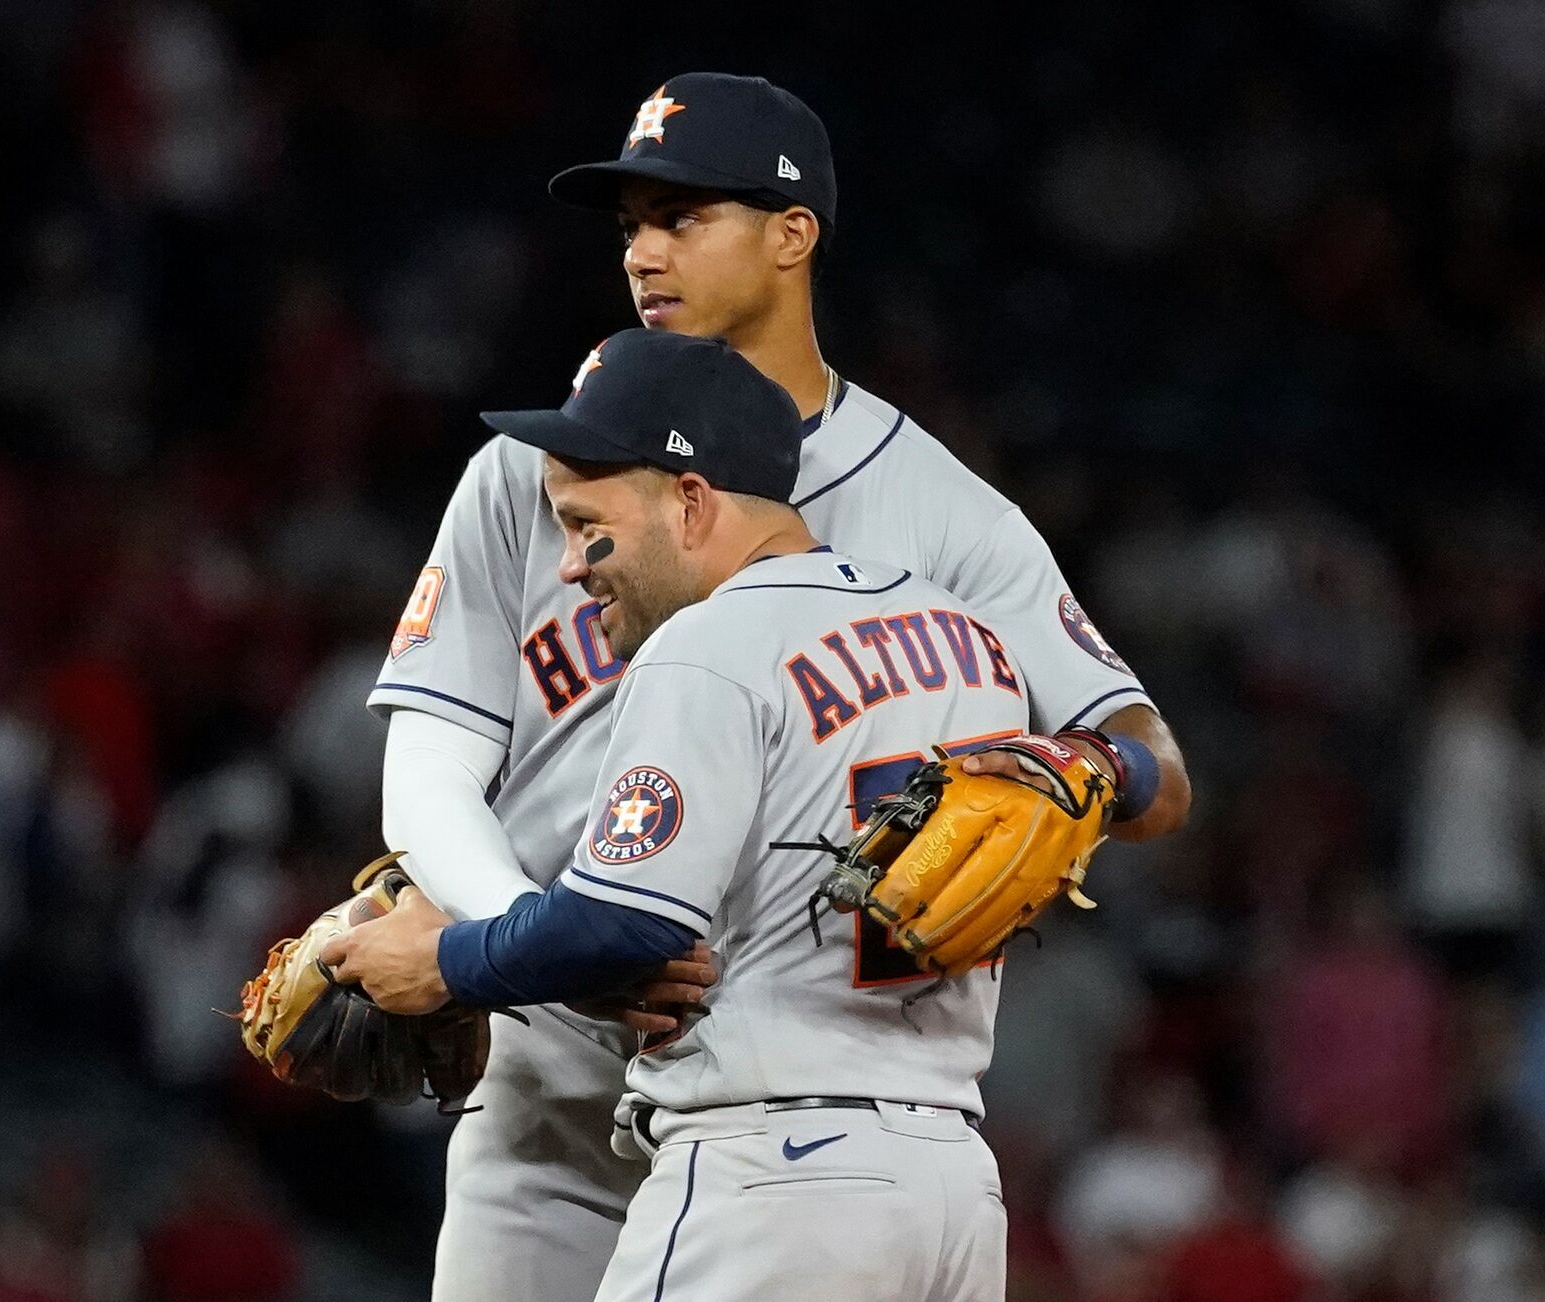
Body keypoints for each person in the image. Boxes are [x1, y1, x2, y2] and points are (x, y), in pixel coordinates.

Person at [366, 72, 1193, 1300]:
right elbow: (425, 767)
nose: (644, 252)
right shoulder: (532, 471)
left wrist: (1079, 770)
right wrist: (528, 942)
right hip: (547, 1089)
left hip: (784, 1095)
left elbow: (1150, 763)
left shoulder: (946, 515)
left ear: (792, 234)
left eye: (682, 215)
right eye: (630, 224)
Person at [331, 326, 1056, 1299]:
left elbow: (624, 924)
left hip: (769, 1169)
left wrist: (442, 961)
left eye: (592, 528)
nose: (572, 567)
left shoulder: (708, 647)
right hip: (950, 1186)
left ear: (689, 499)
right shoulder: (971, 647)